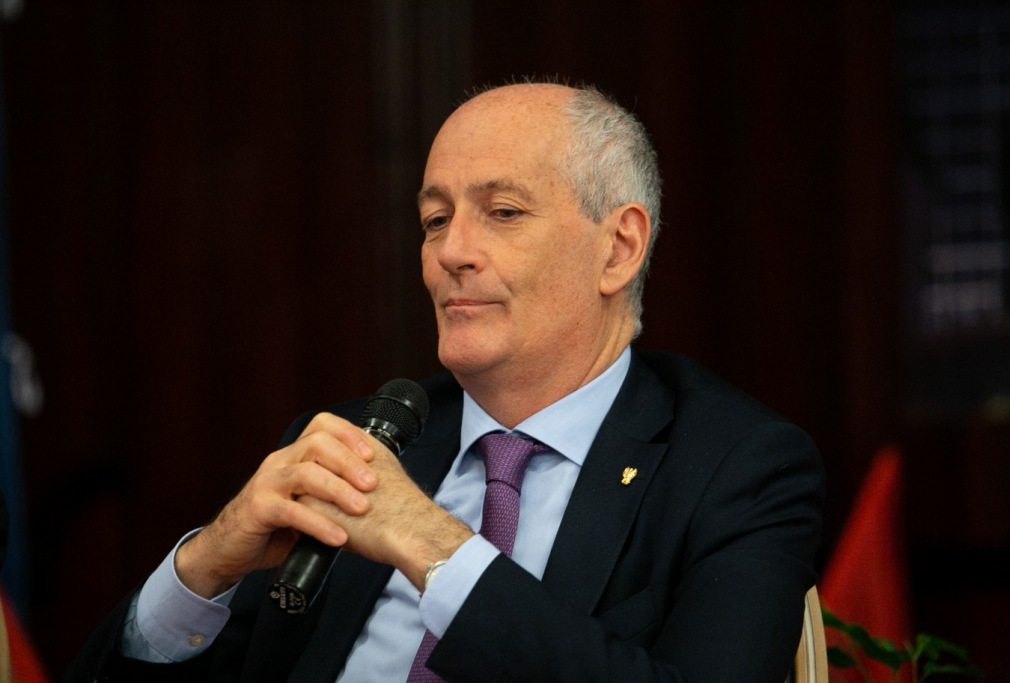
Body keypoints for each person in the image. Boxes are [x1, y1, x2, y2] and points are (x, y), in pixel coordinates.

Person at [68, 82, 824, 682]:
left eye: (503, 212)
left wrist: (433, 544)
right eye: (435, 220)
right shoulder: (352, 446)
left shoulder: (735, 468)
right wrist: (207, 566)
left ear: (619, 248)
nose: (450, 252)